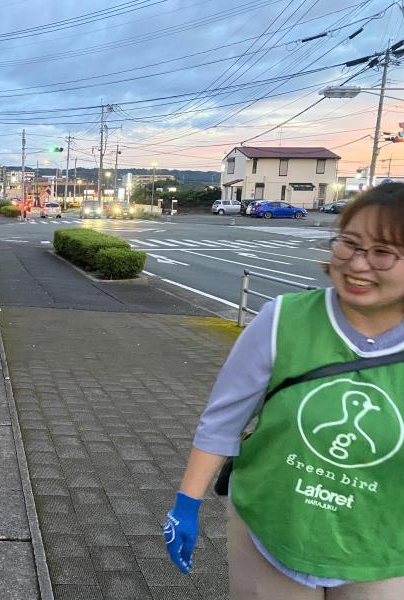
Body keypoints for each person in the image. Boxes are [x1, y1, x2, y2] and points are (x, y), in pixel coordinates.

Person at [163, 183, 404, 599]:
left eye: (383, 253)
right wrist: (187, 503)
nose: (358, 264)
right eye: (348, 243)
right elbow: (223, 421)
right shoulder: (283, 320)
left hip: (381, 544)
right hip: (271, 529)